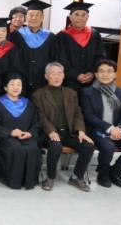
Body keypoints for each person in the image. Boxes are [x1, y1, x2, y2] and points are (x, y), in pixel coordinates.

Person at [32, 62, 95, 192]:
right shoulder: (38, 94)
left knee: (88, 146)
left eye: (59, 74)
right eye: (53, 74)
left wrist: (81, 131)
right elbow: (40, 116)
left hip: (69, 132)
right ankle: (50, 178)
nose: (56, 77)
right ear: (46, 76)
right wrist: (51, 131)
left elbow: (78, 113)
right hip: (48, 133)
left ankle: (76, 177)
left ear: (63, 76)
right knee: (56, 145)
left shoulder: (71, 93)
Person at [81, 59, 121, 188]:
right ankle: (102, 174)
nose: (105, 74)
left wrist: (120, 128)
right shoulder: (87, 92)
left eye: (109, 71)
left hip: (118, 130)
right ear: (96, 75)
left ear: (115, 74)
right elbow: (88, 116)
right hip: (96, 130)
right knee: (108, 147)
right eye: (101, 71)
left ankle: (115, 172)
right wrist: (110, 128)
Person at [0, 70, 41, 190]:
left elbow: (36, 123)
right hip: (6, 138)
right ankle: (14, 182)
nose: (16, 87)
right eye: (12, 84)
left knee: (32, 147)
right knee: (16, 148)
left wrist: (30, 133)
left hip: (25, 136)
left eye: (19, 84)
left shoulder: (28, 103)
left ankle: (29, 182)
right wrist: (10, 132)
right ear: (5, 87)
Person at [10, 0, 57, 96]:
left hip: (42, 82)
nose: (34, 18)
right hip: (21, 82)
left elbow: (53, 59)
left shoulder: (50, 37)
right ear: (26, 17)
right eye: (31, 15)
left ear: (42, 17)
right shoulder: (16, 36)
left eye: (37, 15)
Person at [56, 1, 106, 91]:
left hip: (91, 83)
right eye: (76, 14)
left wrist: (93, 73)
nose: (80, 18)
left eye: (83, 15)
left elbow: (100, 57)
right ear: (70, 17)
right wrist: (76, 75)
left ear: (88, 17)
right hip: (69, 82)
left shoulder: (94, 35)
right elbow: (60, 60)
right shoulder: (62, 36)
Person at [0, 17, 21, 86]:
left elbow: (15, 68)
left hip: (5, 84)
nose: (0, 33)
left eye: (3, 31)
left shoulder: (12, 48)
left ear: (6, 33)